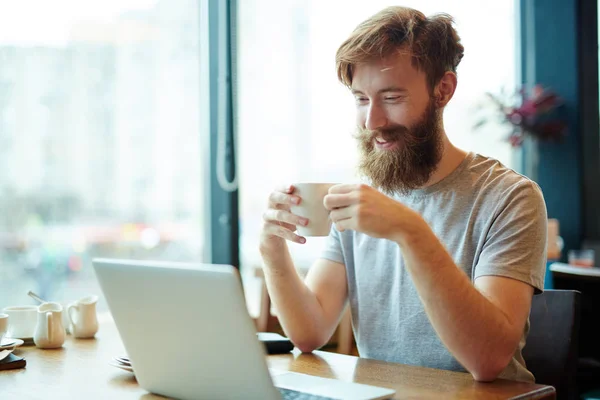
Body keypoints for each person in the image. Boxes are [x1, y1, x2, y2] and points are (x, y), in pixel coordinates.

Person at [259, 6, 547, 383]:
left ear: (443, 89)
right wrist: (271, 247)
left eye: (391, 98)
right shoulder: (359, 200)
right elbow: (309, 331)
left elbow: (488, 358)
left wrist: (410, 231)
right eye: (361, 99)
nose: (371, 121)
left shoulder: (509, 197)